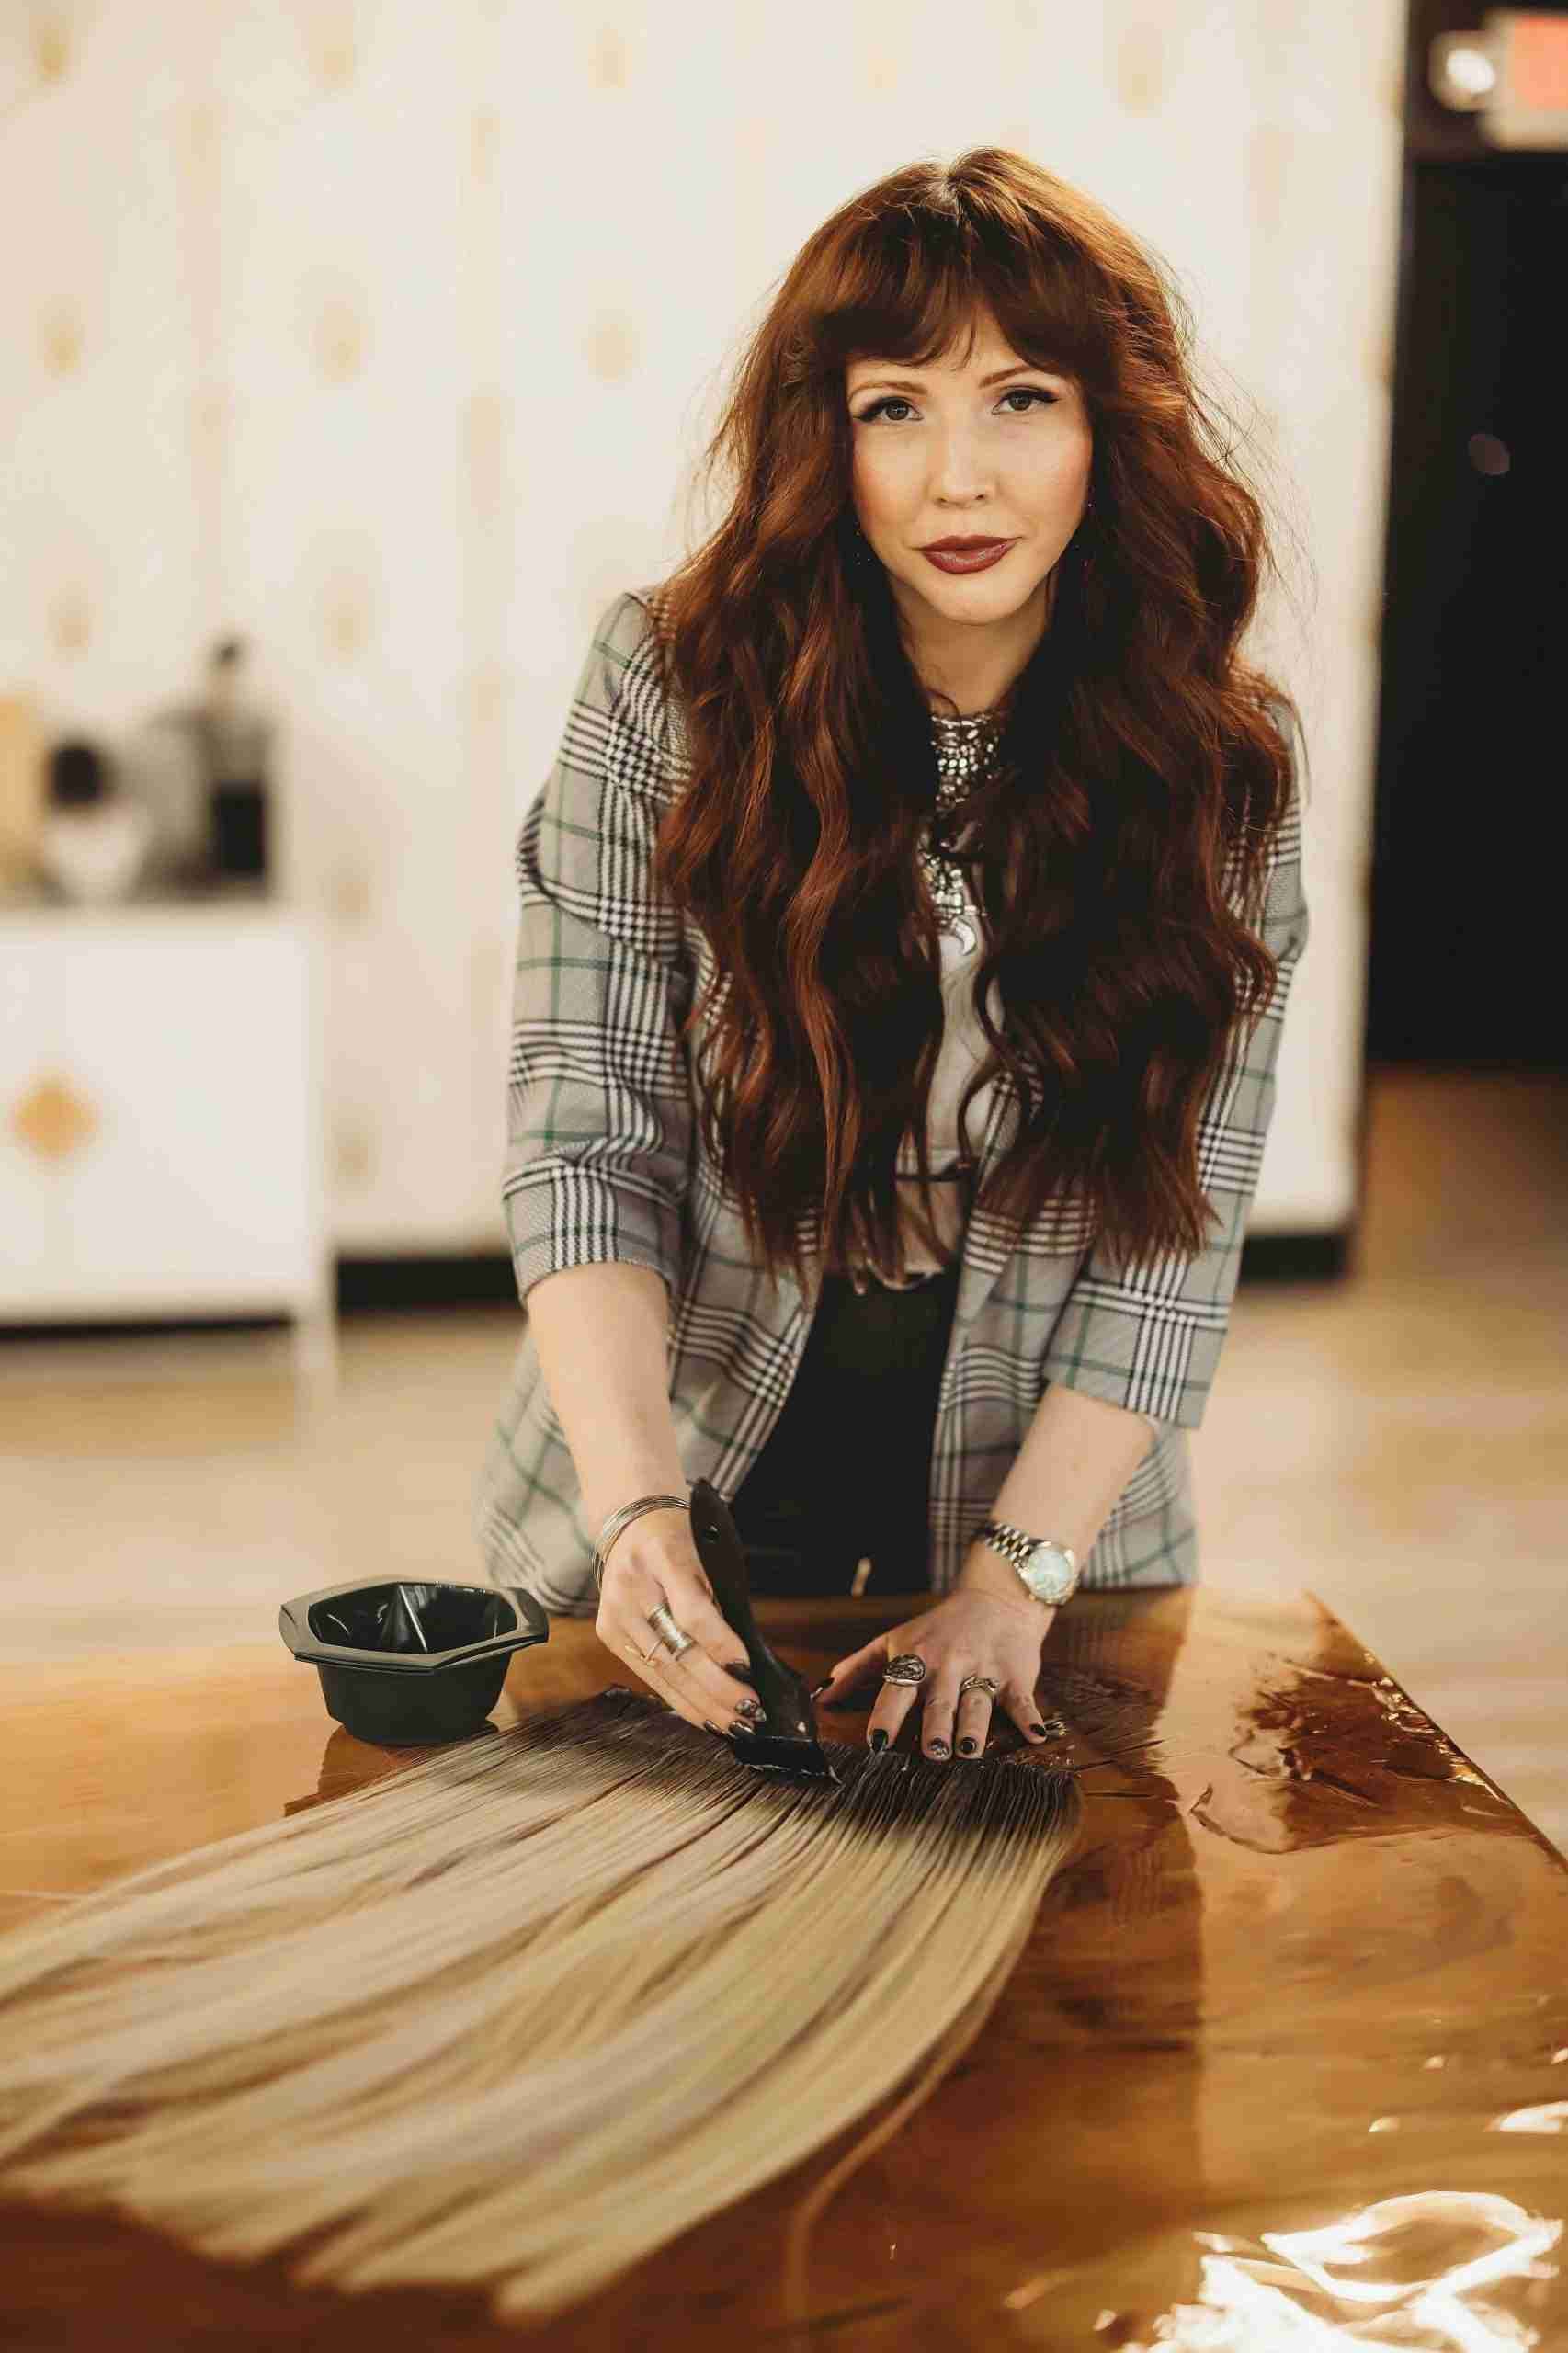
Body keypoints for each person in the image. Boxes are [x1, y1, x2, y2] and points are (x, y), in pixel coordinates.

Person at [472, 146, 1311, 1765]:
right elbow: (583, 1126)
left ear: (1109, 431)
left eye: (1020, 400)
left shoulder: (1220, 770)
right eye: (894, 408)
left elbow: (1172, 1241)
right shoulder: (672, 685)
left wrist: (1020, 1576)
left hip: (1051, 1511)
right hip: (685, 1443)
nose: (959, 480)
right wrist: (635, 1503)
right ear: (825, 437)